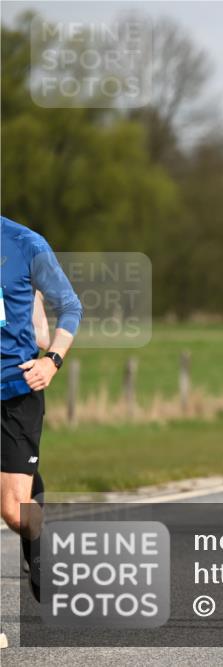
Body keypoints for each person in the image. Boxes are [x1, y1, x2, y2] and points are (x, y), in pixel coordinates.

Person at [1, 217, 83, 644]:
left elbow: (70, 305)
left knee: (15, 511)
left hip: (16, 388)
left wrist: (52, 360)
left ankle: (37, 540)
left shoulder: (24, 243)